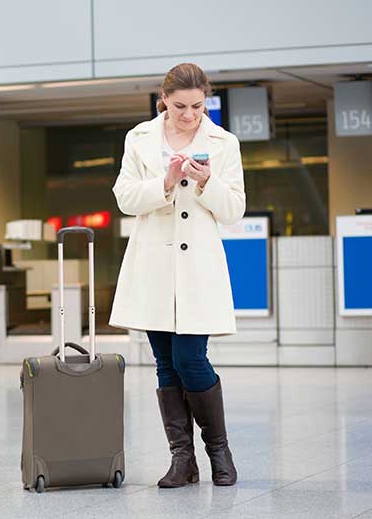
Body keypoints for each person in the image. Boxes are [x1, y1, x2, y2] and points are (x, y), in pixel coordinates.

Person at [109, 63, 244, 488]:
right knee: (166, 364)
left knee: (190, 358)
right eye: (181, 106)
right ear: (163, 100)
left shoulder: (223, 142)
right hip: (153, 266)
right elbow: (125, 198)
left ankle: (219, 451)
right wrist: (165, 183)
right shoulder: (140, 138)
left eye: (198, 106)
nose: (190, 115)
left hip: (198, 268)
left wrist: (207, 184)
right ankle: (182, 461)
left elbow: (235, 209)